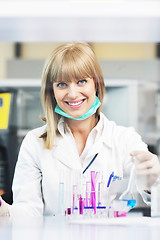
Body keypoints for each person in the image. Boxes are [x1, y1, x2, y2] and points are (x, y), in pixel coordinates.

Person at [0, 42, 160, 216]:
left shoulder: (125, 139)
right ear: (51, 91)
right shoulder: (34, 142)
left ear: (96, 84)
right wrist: (5, 212)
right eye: (62, 84)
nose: (73, 94)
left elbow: (146, 200)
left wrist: (150, 183)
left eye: (81, 81)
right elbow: (27, 212)